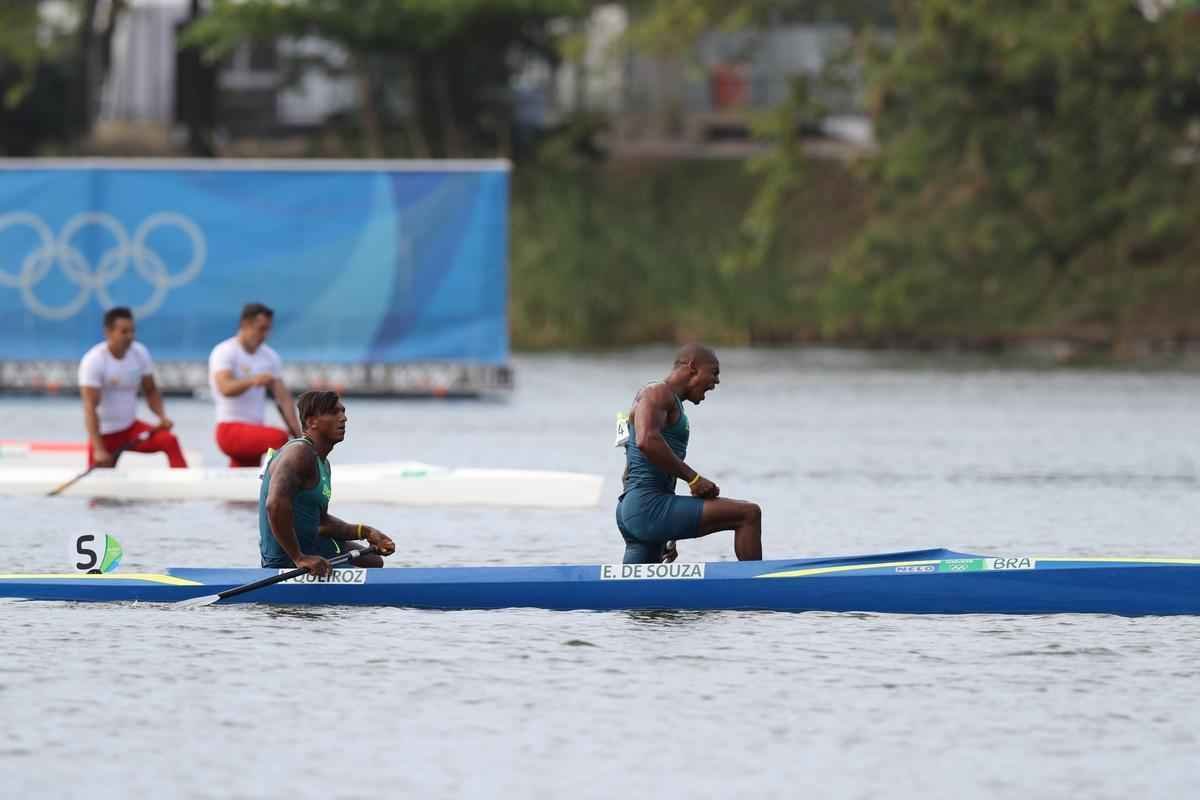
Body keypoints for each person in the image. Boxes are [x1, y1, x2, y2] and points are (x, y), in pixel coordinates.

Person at [614, 344, 762, 564]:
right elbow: (646, 441)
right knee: (748, 514)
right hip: (647, 507)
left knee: (633, 593)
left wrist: (667, 530)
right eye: (714, 373)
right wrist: (694, 479)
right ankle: (759, 587)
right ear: (692, 367)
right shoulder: (657, 393)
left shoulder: (658, 400)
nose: (717, 382)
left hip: (636, 508)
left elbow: (630, 467)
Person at [259, 390, 395, 574]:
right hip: (286, 558)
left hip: (310, 544)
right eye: (333, 412)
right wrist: (299, 557)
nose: (343, 418)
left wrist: (367, 532)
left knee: (372, 560)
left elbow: (321, 522)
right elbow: (274, 505)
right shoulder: (299, 453)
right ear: (311, 421)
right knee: (366, 566)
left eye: (343, 412)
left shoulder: (323, 463)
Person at [78, 307, 187, 469]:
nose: (130, 337)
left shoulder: (140, 353)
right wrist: (99, 449)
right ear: (108, 332)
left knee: (170, 441)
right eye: (124, 332)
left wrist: (162, 417)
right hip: (104, 436)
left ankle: (183, 483)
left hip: (131, 430)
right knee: (101, 491)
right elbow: (89, 409)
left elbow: (151, 390)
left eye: (132, 331)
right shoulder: (93, 361)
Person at [208, 302, 301, 467]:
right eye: (261, 328)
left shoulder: (270, 357)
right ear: (245, 324)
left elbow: (284, 399)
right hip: (229, 430)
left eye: (268, 329)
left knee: (244, 475)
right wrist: (253, 380)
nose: (265, 335)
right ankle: (282, 485)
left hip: (253, 432)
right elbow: (225, 389)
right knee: (278, 438)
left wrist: (299, 434)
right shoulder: (224, 351)